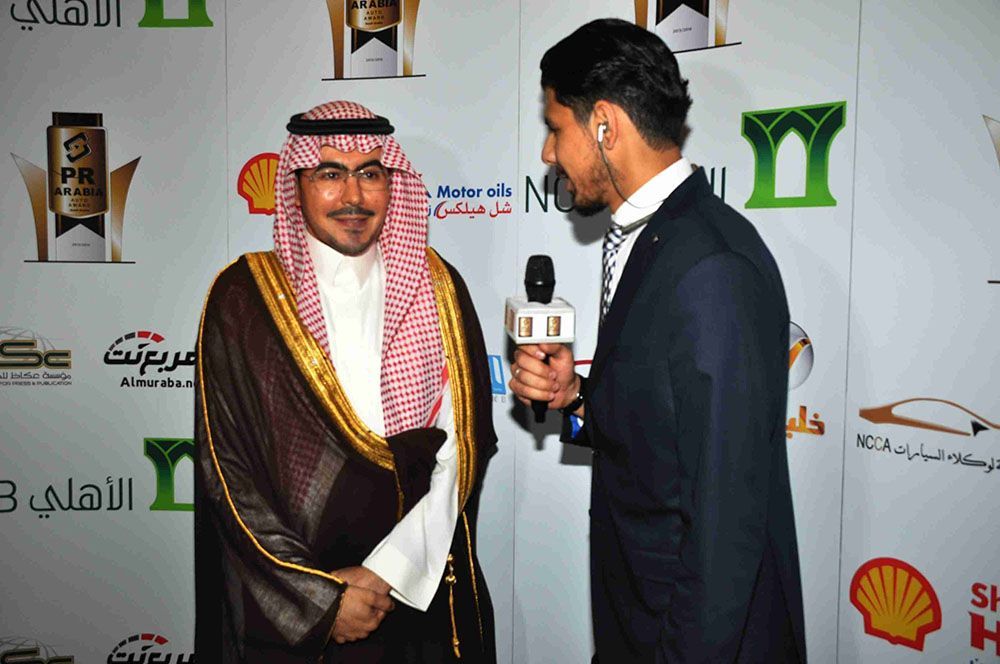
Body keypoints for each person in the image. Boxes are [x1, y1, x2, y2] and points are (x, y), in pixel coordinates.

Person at [509, 19, 807, 663]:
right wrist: (576, 395)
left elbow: (725, 521)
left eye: (555, 127)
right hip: (638, 625)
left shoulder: (711, 267)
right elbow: (664, 434)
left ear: (604, 125)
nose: (548, 153)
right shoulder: (654, 236)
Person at [194, 100, 497, 663]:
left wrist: (388, 572)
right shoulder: (244, 298)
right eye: (330, 173)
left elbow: (463, 449)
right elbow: (229, 473)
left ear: (392, 183)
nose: (353, 196)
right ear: (296, 183)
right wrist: (320, 600)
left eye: (370, 174)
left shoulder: (439, 287)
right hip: (294, 608)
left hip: (416, 590)